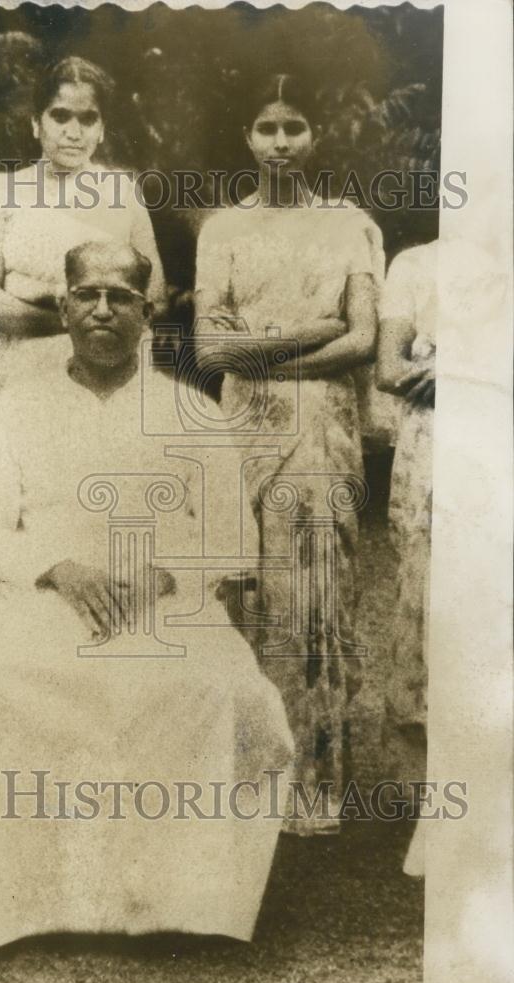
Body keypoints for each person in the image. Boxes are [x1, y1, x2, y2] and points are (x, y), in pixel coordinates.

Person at [0, 241, 293, 949]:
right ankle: (23, 907)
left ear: (147, 312)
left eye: (120, 297)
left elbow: (229, 534)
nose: (103, 311)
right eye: (88, 295)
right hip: (39, 593)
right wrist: (58, 568)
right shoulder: (16, 409)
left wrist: (162, 574)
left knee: (218, 683)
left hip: (166, 597)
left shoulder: (192, 411)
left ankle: (184, 905)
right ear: (63, 306)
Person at [194, 73, 382, 835]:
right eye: (266, 128)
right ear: (248, 138)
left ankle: (311, 784)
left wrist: (265, 354)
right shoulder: (223, 231)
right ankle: (245, 779)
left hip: (322, 428)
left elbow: (364, 339)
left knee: (311, 594)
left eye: (294, 127)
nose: (280, 143)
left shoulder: (349, 226)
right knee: (245, 587)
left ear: (314, 139)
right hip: (244, 425)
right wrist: (311, 334)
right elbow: (211, 348)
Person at [0, 55, 166, 394]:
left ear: (102, 129)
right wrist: (88, 319)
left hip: (103, 373)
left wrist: (25, 289)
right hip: (16, 372)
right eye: (60, 116)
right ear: (35, 123)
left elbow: (156, 299)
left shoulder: (122, 192)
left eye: (88, 119)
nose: (73, 132)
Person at [377, 239, 437, 877]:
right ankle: (438, 810)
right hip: (435, 452)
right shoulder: (416, 264)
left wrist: (464, 370)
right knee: (428, 614)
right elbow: (389, 370)